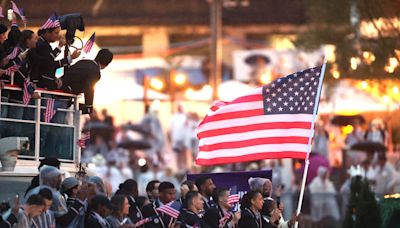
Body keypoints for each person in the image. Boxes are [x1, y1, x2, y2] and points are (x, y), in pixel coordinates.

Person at [61, 49, 113, 114]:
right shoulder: (96, 72)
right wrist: (89, 107)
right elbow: (89, 89)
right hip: (64, 96)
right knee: (58, 121)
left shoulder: (83, 62)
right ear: (107, 64)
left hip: (58, 89)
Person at [169, 104, 188, 170]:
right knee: (178, 154)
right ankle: (179, 168)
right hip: (176, 138)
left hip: (184, 138)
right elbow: (171, 128)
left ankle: (185, 167)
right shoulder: (174, 117)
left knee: (184, 153)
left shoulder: (185, 116)